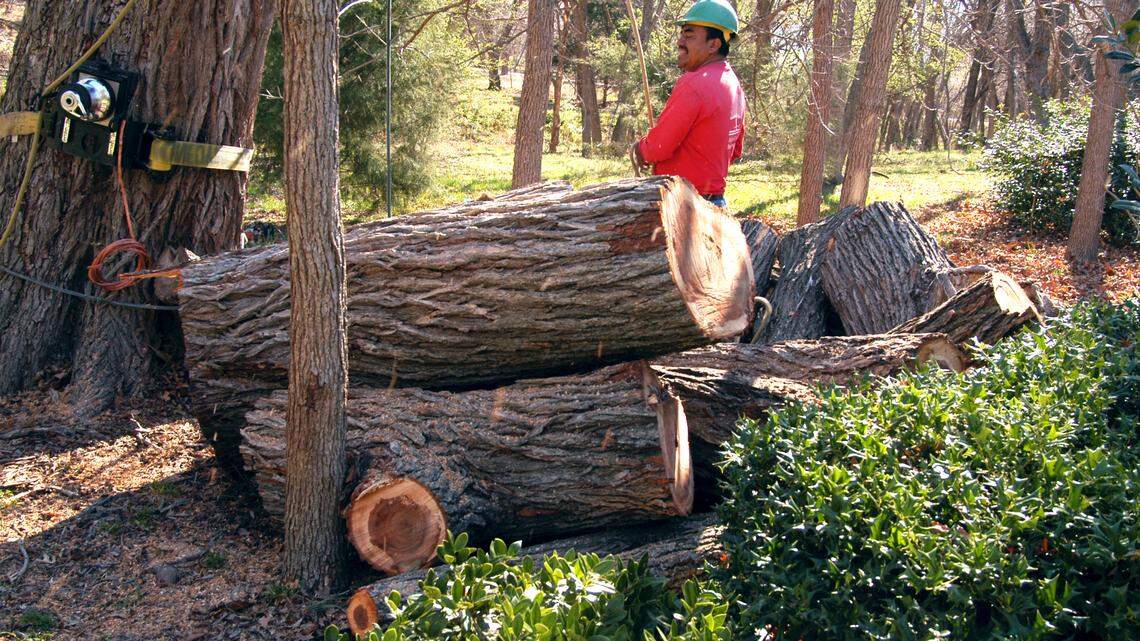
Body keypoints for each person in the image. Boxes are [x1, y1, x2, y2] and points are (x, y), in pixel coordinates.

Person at [632, 0, 745, 209]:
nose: (680, 41)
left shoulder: (695, 83)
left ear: (714, 45)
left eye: (689, 35)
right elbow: (735, 150)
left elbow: (658, 148)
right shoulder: (733, 84)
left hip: (685, 209)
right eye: (682, 34)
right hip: (715, 204)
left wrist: (641, 150)